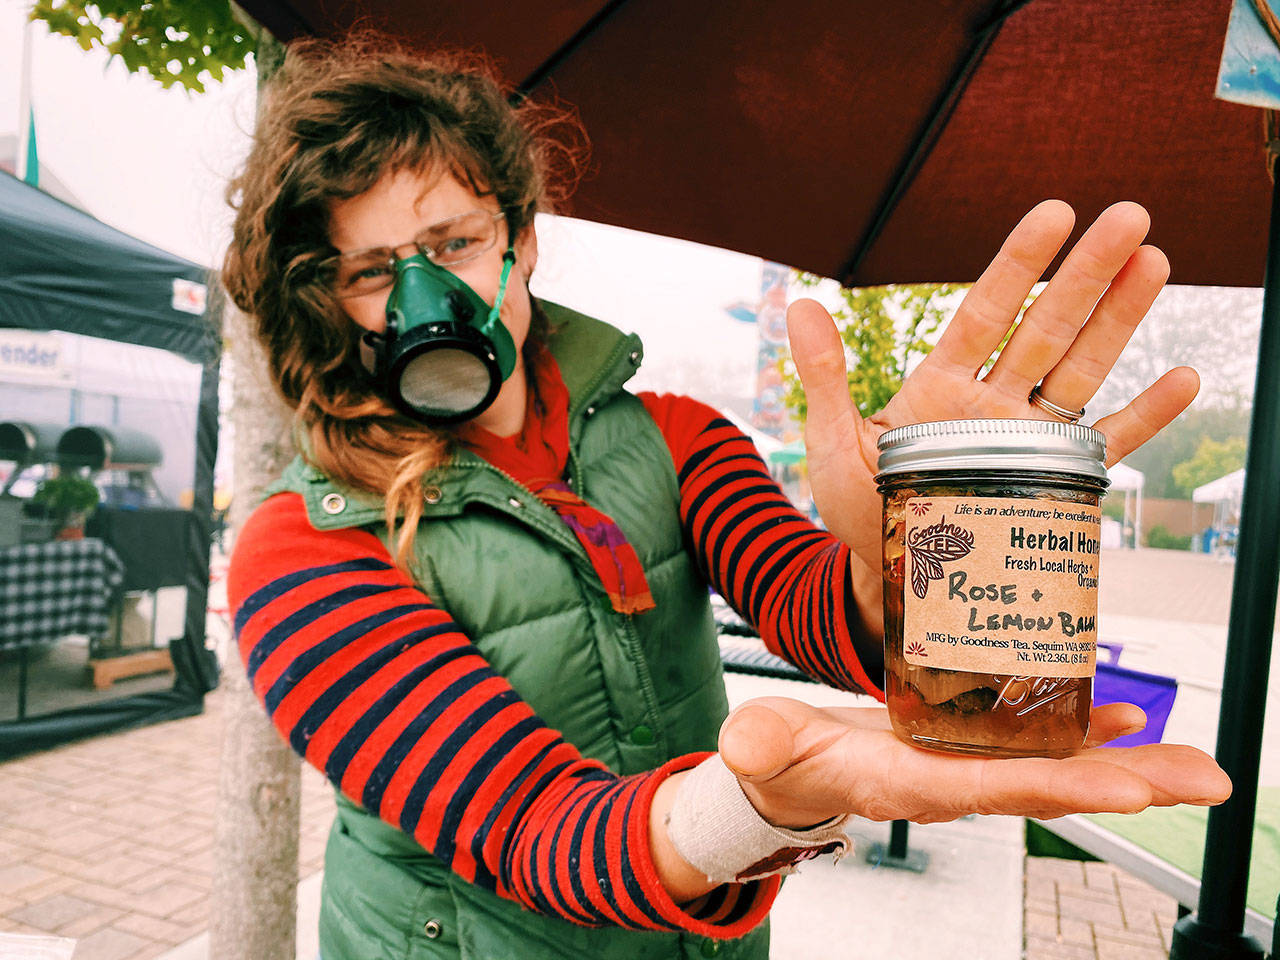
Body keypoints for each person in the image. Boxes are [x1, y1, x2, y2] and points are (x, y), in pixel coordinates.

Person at [223, 35, 1231, 960]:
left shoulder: (672, 435)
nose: (425, 300)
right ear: (326, 300)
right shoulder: (301, 545)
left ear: (519, 240)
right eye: (371, 273)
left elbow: (798, 592)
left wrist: (921, 556)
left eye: (452, 245)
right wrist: (754, 810)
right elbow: (528, 825)